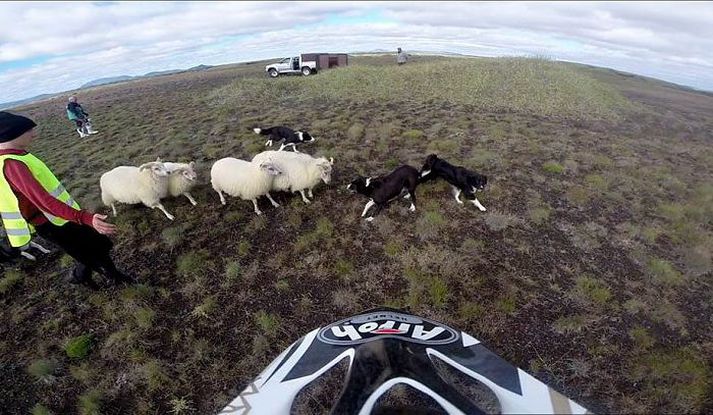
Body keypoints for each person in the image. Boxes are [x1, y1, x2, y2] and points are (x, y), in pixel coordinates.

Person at [0, 111, 133, 289]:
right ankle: (114, 279)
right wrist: (85, 217)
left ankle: (83, 276)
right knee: (90, 252)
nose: (34, 133)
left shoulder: (16, 155)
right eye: (29, 130)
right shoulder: (13, 164)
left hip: (62, 216)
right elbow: (43, 201)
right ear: (12, 134)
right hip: (51, 223)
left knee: (95, 247)